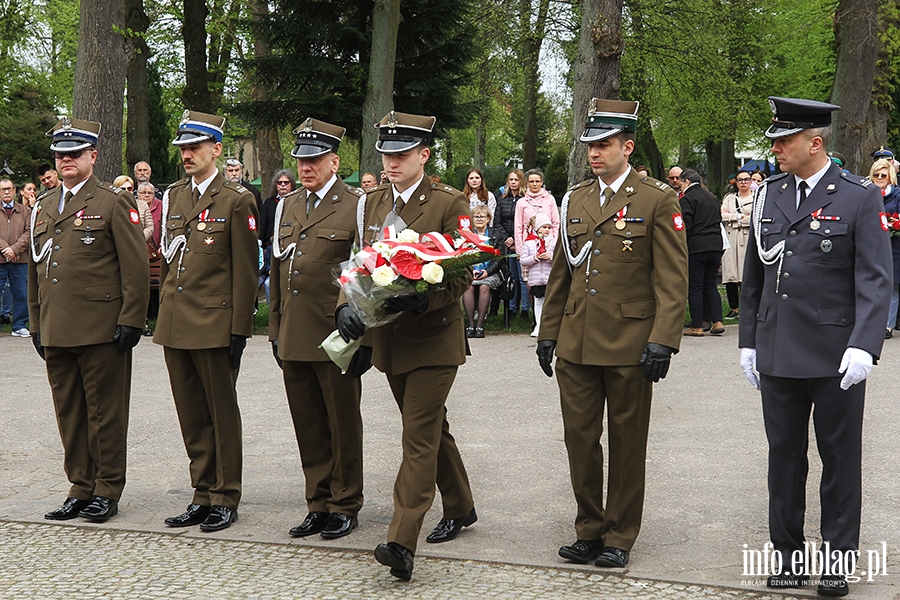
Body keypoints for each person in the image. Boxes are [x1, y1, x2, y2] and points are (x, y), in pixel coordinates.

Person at [739, 97, 892, 597]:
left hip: (835, 353)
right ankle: (785, 554)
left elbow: (875, 278)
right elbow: (753, 279)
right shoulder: (770, 193)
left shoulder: (857, 195)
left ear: (815, 142)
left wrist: (865, 345)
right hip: (779, 348)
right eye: (776, 141)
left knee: (839, 457)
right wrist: (748, 342)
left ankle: (838, 559)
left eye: (784, 141)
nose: (776, 149)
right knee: (784, 456)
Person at [537, 98, 688, 570]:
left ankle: (620, 533)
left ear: (628, 146)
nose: (594, 153)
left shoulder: (656, 198)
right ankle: (589, 528)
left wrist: (664, 338)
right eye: (590, 146)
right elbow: (563, 270)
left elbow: (672, 276)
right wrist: (548, 332)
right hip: (577, 342)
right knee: (578, 439)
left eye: (604, 145)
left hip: (629, 342)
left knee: (627, 442)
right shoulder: (576, 198)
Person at [336, 110, 476, 581]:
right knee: (431, 426)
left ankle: (401, 540)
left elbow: (464, 271)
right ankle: (460, 504)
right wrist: (345, 305)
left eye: (401, 154)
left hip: (434, 339)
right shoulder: (372, 203)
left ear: (424, 154)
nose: (392, 162)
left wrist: (422, 297)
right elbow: (359, 260)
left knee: (416, 437)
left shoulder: (448, 202)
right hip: (391, 341)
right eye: (386, 154)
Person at [29, 117, 149, 523]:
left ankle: (107, 489)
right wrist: (36, 322)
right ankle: (80, 486)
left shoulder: (113, 202)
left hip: (101, 326)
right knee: (70, 411)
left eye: (75, 153)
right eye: (61, 155)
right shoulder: (44, 207)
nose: (66, 160)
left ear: (92, 157)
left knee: (105, 412)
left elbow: (134, 266)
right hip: (58, 326)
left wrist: (132, 318)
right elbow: (36, 269)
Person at [155, 110, 259, 533]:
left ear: (216, 149)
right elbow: (169, 260)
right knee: (191, 413)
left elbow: (246, 271)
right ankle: (201, 492)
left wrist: (239, 328)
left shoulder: (237, 199)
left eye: (195, 147)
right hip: (176, 321)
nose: (187, 154)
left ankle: (225, 494)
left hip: (215, 323)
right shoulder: (175, 195)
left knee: (220, 412)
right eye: (183, 148)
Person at [269, 117, 368, 541]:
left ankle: (345, 503)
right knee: (307, 421)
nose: (305, 168)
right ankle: (318, 501)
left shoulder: (355, 204)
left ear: (335, 161)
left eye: (314, 160)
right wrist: (274, 326)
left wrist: (362, 329)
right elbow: (277, 267)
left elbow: (365, 269)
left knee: (341, 420)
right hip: (294, 329)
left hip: (335, 332)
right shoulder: (289, 205)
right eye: (300, 160)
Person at [680, 169, 725, 337]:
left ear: (686, 182)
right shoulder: (712, 198)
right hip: (715, 245)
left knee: (696, 287)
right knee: (711, 285)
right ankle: (717, 321)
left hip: (697, 246)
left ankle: (697, 326)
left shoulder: (688, 199)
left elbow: (687, 225)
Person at [514, 168, 559, 322]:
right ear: (527, 183)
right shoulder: (522, 202)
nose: (534, 184)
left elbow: (555, 223)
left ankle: (549, 320)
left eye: (537, 181)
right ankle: (536, 318)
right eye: (531, 181)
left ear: (542, 182)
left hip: (548, 245)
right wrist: (520, 250)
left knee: (548, 284)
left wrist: (554, 244)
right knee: (531, 284)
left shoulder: (550, 199)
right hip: (530, 246)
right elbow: (518, 226)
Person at [462, 204, 504, 338]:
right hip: (471, 271)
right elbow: (462, 255)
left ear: (488, 218)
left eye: (482, 217)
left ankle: (480, 324)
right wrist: (472, 269)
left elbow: (500, 258)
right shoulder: (466, 235)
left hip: (491, 272)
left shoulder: (496, 235)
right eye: (476, 217)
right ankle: (470, 324)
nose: (479, 219)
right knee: (468, 287)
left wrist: (487, 272)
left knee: (485, 287)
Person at [870, 158, 900, 338]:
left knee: (892, 286)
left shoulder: (897, 195)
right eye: (876, 174)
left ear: (890, 177)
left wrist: (893, 224)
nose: (880, 177)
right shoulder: (866, 192)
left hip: (892, 246)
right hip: (871, 245)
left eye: (883, 174)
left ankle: (887, 326)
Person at [720, 170, 754, 318]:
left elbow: (753, 218)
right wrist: (740, 216)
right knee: (731, 274)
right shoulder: (729, 198)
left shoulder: (756, 198)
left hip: (747, 238)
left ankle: (748, 306)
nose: (743, 183)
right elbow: (723, 215)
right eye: (740, 180)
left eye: (746, 179)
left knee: (746, 273)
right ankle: (734, 308)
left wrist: (733, 217)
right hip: (731, 238)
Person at [258, 169, 296, 302]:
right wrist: (260, 243)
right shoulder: (269, 203)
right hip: (270, 248)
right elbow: (262, 224)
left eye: (286, 182)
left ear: (291, 184)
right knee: (270, 282)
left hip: (291, 247)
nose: (283, 185)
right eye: (280, 183)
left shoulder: (297, 202)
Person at [1, 178, 31, 337]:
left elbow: (28, 233)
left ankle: (19, 325)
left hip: (20, 260)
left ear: (14, 191)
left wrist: (14, 250)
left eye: (9, 189)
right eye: (3, 189)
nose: (6, 192)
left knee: (21, 293)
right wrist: (5, 249)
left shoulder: (25, 211)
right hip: (0, 260)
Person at [493, 169, 524, 317]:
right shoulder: (502, 198)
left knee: (521, 277)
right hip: (506, 242)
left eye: (516, 180)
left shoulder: (524, 199)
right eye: (511, 180)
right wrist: (506, 238)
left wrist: (515, 238)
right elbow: (497, 221)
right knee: (510, 275)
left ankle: (524, 309)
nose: (513, 182)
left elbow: (525, 222)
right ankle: (511, 308)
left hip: (520, 241)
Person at [519, 213, 554, 338]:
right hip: (536, 279)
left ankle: (549, 327)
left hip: (550, 278)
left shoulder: (553, 242)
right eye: (544, 227)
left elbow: (559, 258)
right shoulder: (529, 243)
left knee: (550, 303)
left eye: (549, 227)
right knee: (538, 302)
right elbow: (523, 260)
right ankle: (538, 325)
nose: (547, 230)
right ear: (537, 228)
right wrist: (535, 258)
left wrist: (550, 257)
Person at [138, 182, 162, 336]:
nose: (146, 195)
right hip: (135, 252)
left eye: (150, 193)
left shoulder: (160, 206)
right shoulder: (134, 205)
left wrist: (139, 238)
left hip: (154, 250)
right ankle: (142, 321)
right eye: (143, 192)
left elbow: (152, 226)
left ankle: (159, 320)